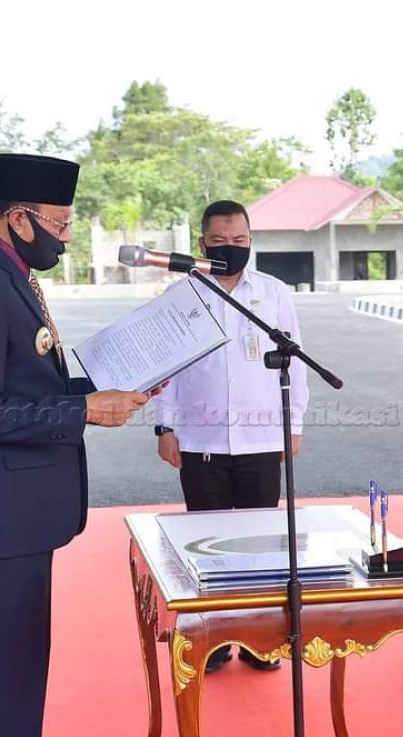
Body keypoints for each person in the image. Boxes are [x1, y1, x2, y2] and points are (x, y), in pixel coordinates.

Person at [0, 153, 152, 737]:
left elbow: (23, 383)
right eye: (59, 221)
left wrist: (104, 390)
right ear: (19, 218)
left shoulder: (10, 272)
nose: (67, 234)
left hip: (15, 516)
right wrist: (82, 408)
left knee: (18, 682)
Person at [152, 199, 309, 673]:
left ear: (250, 240)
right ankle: (217, 639)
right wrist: (165, 426)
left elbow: (296, 360)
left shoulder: (274, 293)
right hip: (201, 440)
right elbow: (167, 366)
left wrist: (294, 423)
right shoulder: (184, 295)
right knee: (207, 543)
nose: (230, 248)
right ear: (202, 244)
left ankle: (260, 641)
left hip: (262, 437)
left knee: (261, 542)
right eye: (219, 242)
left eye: (239, 241)